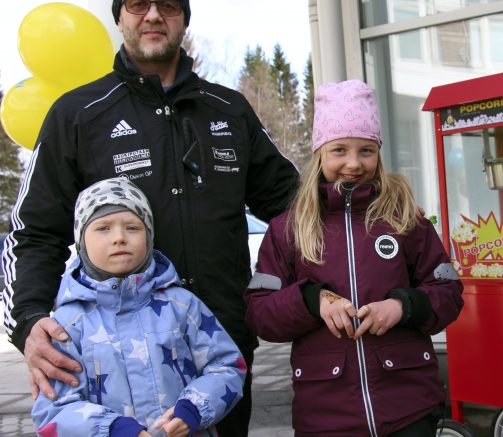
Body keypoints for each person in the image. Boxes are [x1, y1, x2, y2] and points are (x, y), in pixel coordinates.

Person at [1, 1, 298, 435]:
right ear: (119, 17)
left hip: (220, 357)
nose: (154, 15)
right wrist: (28, 322)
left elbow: (296, 209)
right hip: (110, 378)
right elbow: (33, 233)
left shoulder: (229, 110)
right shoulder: (77, 114)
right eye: (139, 4)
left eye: (169, 5)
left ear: (185, 17)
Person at [244, 79, 464, 436]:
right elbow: (259, 311)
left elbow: (449, 292)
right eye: (339, 150)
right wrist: (313, 300)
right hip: (326, 416)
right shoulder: (289, 228)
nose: (353, 163)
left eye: (366, 150)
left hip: (410, 409)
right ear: (319, 154)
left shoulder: (406, 218)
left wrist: (403, 306)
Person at [31, 177, 246, 437]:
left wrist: (194, 408)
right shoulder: (67, 324)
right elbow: (53, 410)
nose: (119, 238)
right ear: (81, 242)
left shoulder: (181, 305)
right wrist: (111, 429)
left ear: (149, 236)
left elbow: (227, 366)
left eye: (132, 227)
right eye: (103, 228)